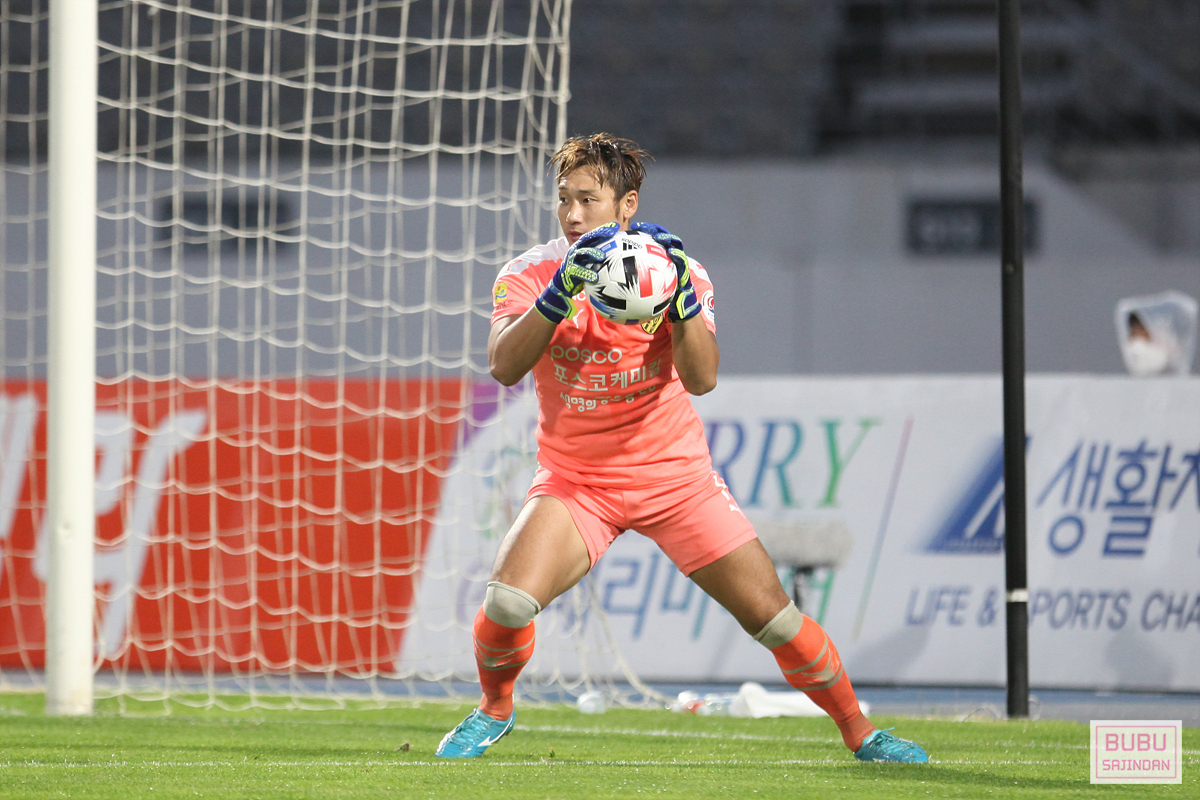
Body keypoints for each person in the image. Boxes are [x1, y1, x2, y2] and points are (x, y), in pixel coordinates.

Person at [435, 133, 928, 763]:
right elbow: (504, 366)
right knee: (506, 602)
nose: (572, 214)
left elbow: (702, 379)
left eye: (588, 200)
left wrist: (684, 303)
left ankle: (862, 732)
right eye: (564, 199)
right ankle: (495, 709)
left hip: (676, 480)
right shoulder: (530, 273)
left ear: (627, 204)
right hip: (578, 482)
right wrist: (560, 294)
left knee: (775, 619)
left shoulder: (677, 272)